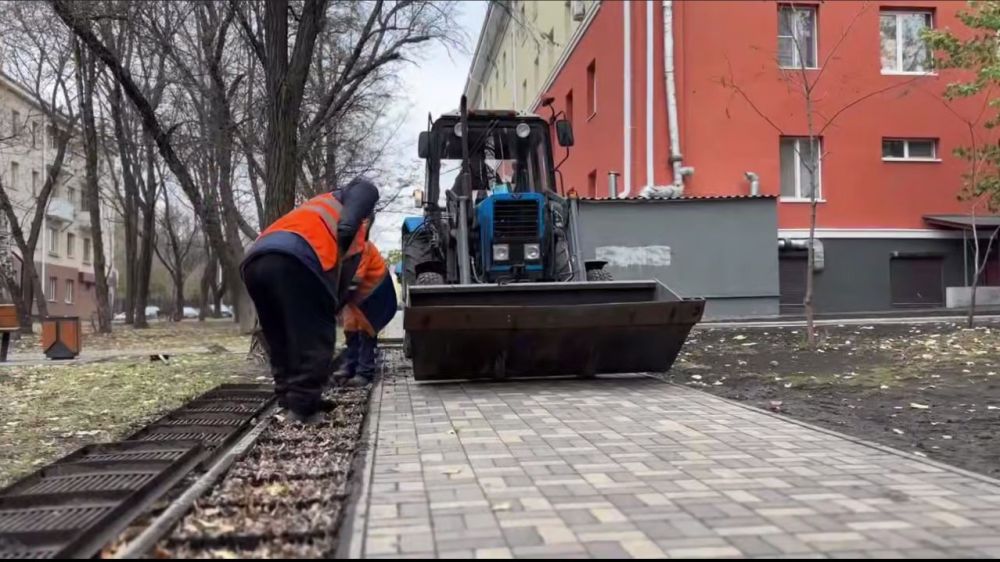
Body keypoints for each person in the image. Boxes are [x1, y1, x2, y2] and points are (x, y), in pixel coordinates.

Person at [241, 177, 379, 423]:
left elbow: (341, 287)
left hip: (255, 261)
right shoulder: (352, 209)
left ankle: (289, 399)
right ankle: (304, 409)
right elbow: (366, 189)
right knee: (315, 336)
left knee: (280, 337)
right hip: (299, 258)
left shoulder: (315, 208)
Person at [335, 238, 398, 386]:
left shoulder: (360, 247)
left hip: (374, 293)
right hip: (356, 297)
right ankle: (349, 367)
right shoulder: (337, 247)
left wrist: (337, 302)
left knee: (366, 329)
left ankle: (364, 371)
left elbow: (355, 279)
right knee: (350, 328)